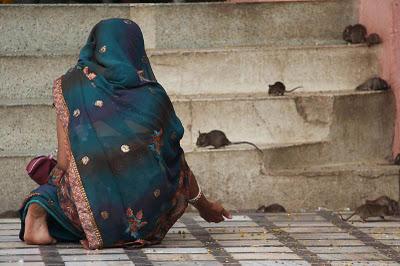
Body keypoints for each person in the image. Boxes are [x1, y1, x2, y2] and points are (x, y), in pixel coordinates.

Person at [19, 18, 231, 249]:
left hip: (91, 211)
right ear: (135, 49)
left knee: (60, 180)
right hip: (143, 215)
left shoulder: (70, 86)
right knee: (160, 167)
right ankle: (107, 225)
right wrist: (205, 206)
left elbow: (63, 161)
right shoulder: (152, 96)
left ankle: (41, 207)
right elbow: (176, 164)